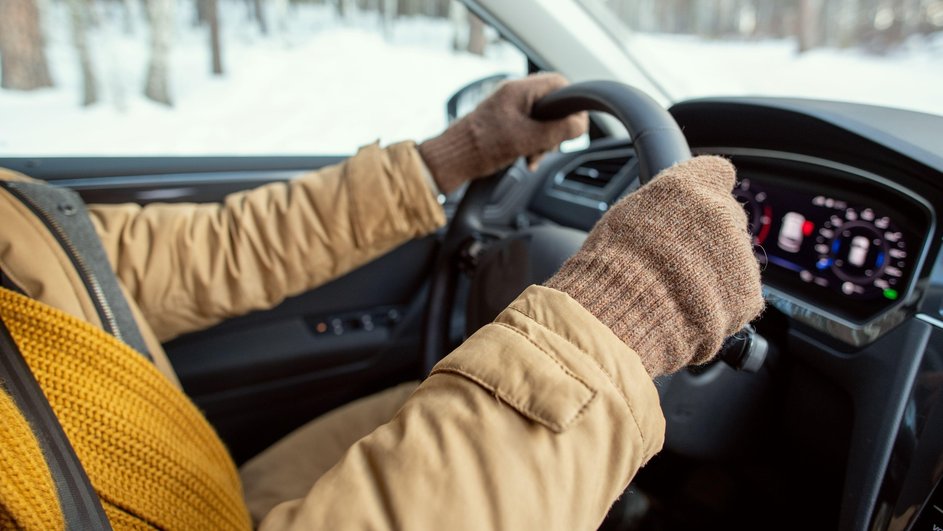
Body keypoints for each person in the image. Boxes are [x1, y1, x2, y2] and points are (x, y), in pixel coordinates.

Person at [0, 73, 763, 530]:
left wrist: (453, 155)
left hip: (186, 484)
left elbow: (161, 258)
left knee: (421, 394)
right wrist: (618, 315)